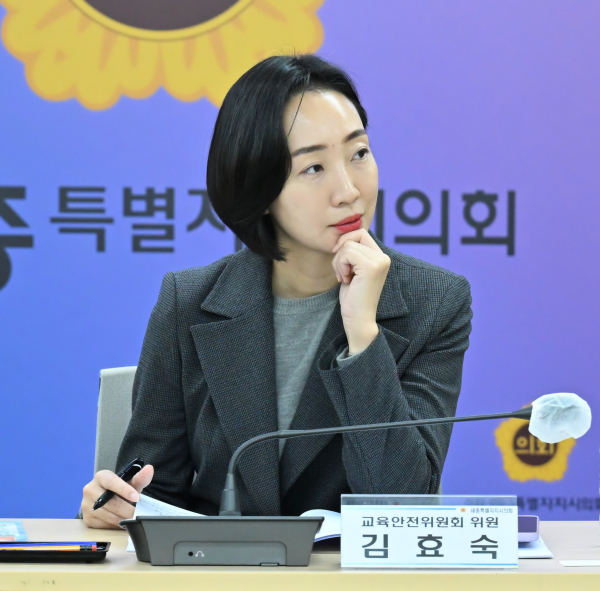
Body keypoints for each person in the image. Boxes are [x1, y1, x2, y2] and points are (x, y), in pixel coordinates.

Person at [81, 54, 472, 529]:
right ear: (258, 187)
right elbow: (153, 492)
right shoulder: (189, 302)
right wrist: (116, 505)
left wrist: (363, 338)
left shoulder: (435, 302)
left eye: (359, 153)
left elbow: (403, 507)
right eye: (314, 167)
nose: (348, 190)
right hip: (217, 567)